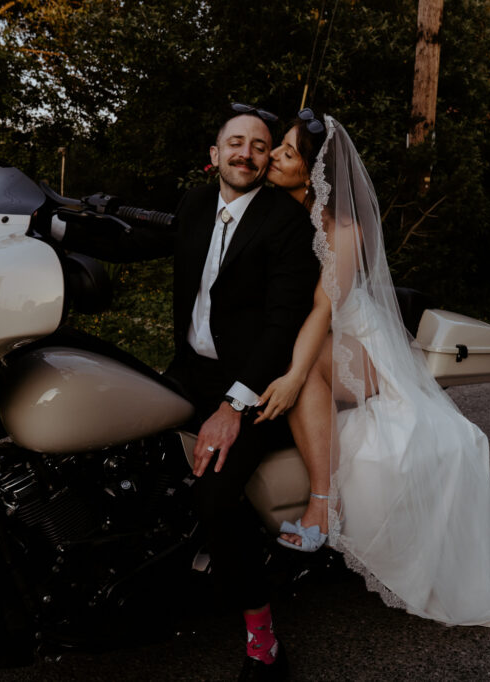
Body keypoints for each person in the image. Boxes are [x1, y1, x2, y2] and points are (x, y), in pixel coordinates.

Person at [52, 104, 318, 679]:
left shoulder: (287, 223)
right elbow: (134, 241)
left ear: (266, 159)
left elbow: (281, 327)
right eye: (236, 142)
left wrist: (232, 407)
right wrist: (47, 226)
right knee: (115, 445)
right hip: (190, 371)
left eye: (260, 146)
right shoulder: (197, 204)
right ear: (216, 154)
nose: (247, 153)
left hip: (254, 385)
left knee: (215, 495)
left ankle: (263, 640)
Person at [256, 110, 490, 627]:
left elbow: (324, 310)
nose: (276, 156)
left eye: (288, 151)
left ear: (315, 170)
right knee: (295, 359)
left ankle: (323, 504)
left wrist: (295, 374)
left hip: (359, 343)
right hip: (321, 336)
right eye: (278, 146)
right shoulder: (282, 211)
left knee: (301, 367)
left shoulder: (343, 229)